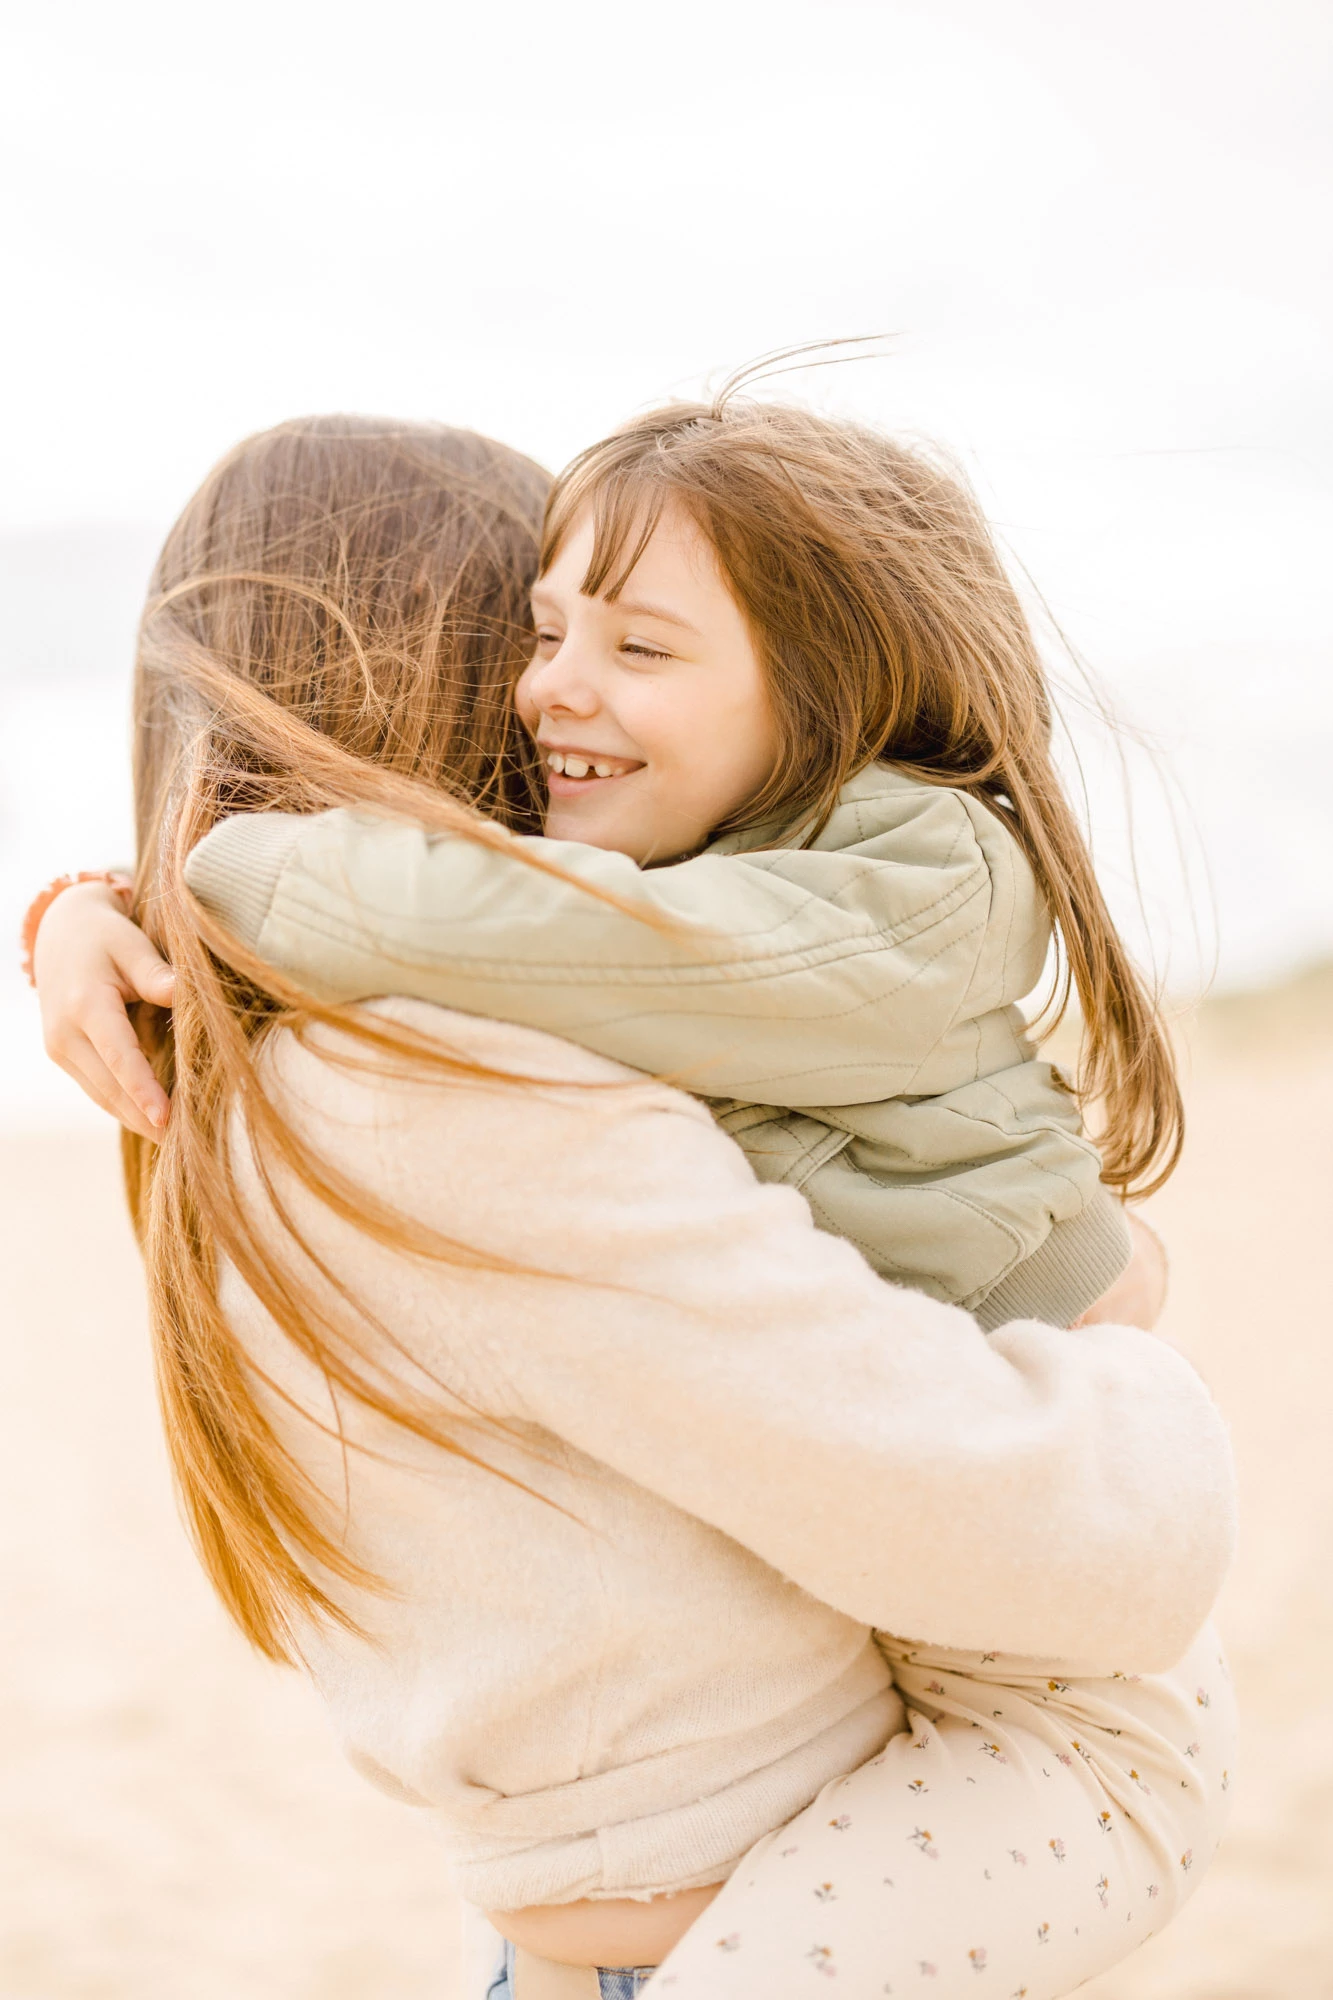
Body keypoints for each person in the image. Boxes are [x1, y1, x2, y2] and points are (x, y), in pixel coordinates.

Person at [28, 413, 1234, 2000]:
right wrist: (1140, 1380)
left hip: (705, 1895)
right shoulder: (450, 1093)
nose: (559, 693)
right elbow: (995, 1510)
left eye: (634, 642)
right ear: (467, 679)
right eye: (534, 634)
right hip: (737, 1896)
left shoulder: (242, 1065)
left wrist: (121, 898)